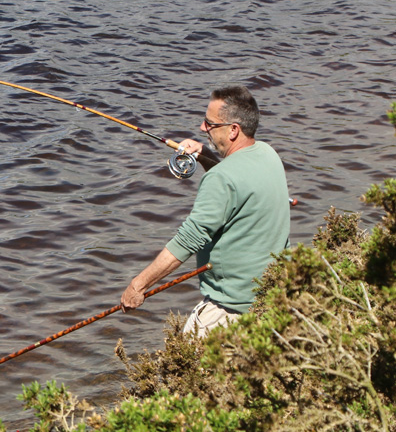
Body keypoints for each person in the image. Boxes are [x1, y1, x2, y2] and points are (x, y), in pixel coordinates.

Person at [121, 85, 290, 337]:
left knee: (180, 373)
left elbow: (188, 240)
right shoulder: (268, 154)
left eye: (210, 124)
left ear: (233, 130)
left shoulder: (222, 178)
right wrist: (204, 155)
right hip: (272, 299)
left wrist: (138, 285)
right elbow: (236, 188)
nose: (202, 128)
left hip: (230, 311)